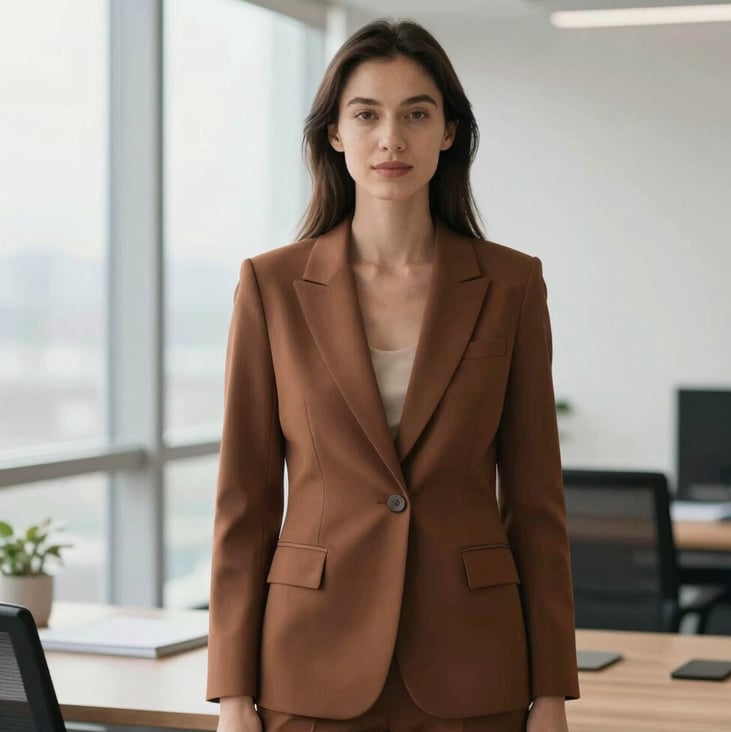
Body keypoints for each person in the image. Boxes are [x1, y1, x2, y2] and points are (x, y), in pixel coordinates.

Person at [207, 17, 580, 732]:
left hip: (474, 664)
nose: (391, 138)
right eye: (367, 114)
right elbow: (244, 505)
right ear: (335, 135)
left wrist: (553, 692)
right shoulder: (271, 286)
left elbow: (537, 505)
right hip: (309, 662)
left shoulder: (511, 285)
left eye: (416, 114)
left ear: (448, 132)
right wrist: (232, 696)